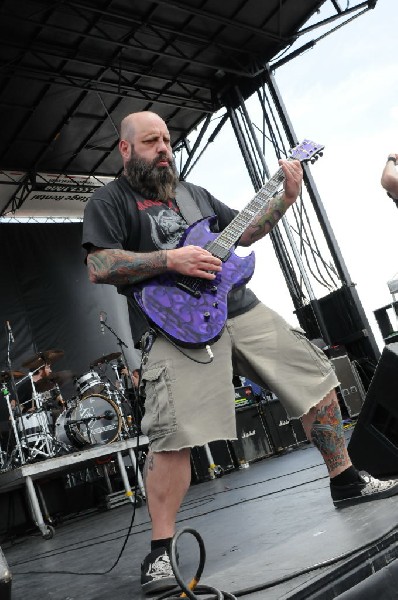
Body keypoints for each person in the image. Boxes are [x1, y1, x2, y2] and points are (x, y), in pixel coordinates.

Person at [82, 110, 398, 595]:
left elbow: (245, 232)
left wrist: (287, 196)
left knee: (316, 379)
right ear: (126, 150)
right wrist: (170, 258)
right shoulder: (111, 200)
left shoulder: (194, 195)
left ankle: (346, 480)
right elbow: (100, 264)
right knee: (172, 435)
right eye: (151, 141)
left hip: (238, 306)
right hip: (175, 327)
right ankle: (161, 552)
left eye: (167, 140)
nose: (164, 148)